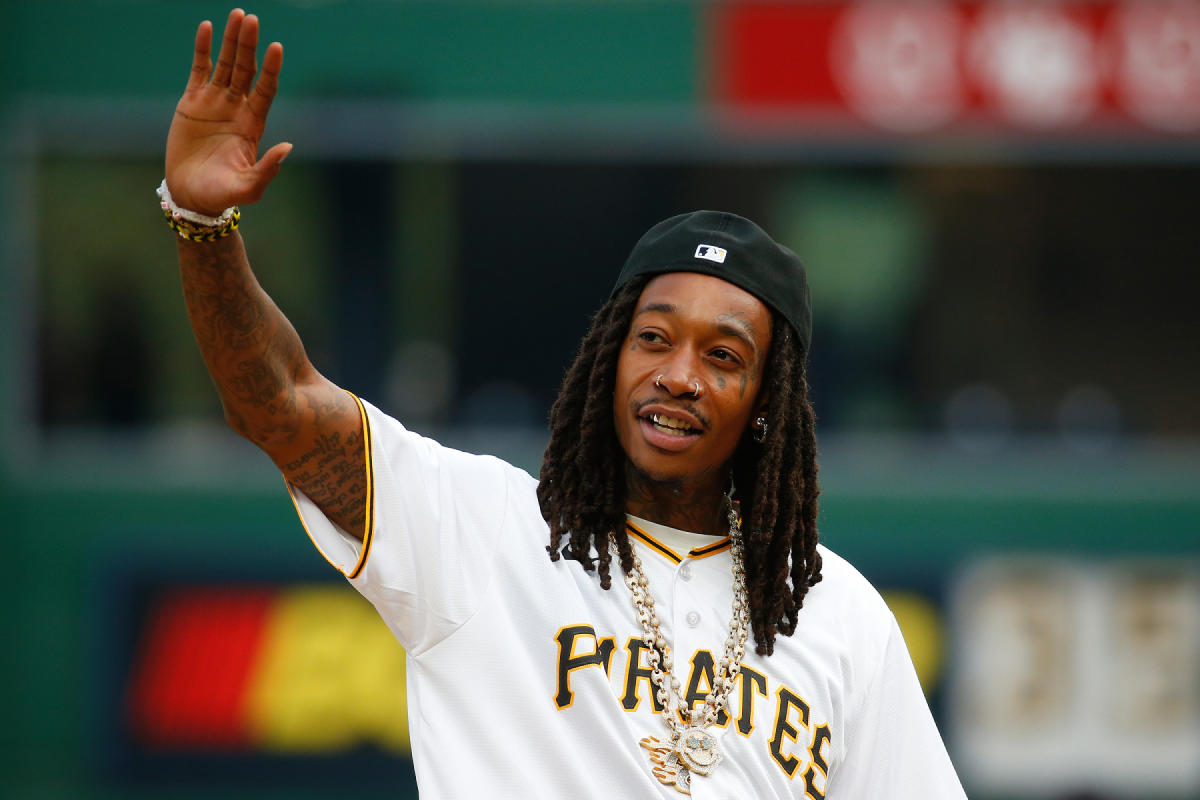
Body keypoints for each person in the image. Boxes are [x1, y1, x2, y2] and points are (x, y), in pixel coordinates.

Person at [162, 9, 966, 798]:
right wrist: (204, 224)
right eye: (653, 339)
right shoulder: (484, 530)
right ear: (609, 361)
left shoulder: (841, 615)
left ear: (767, 405)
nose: (678, 374)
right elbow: (282, 403)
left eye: (722, 357)